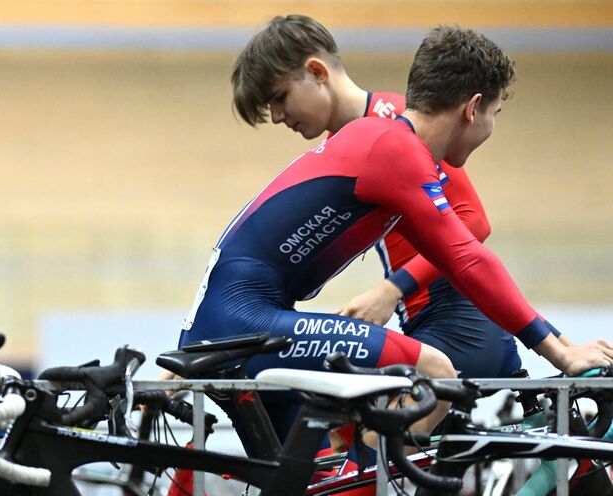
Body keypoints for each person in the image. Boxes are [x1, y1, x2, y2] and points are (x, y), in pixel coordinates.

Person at [181, 24, 613, 450]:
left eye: (279, 99)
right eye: (496, 116)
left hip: (233, 320)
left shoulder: (377, 139)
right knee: (436, 375)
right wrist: (560, 353)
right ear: (473, 108)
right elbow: (466, 258)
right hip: (242, 321)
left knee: (305, 495)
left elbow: (461, 249)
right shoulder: (392, 147)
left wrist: (560, 344)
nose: (278, 116)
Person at [231, 14, 520, 383]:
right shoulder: (343, 149)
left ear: (318, 72)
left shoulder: (398, 122)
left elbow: (473, 220)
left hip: (456, 317)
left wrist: (391, 289)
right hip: (429, 316)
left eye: (279, 98)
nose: (276, 117)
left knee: (336, 414)